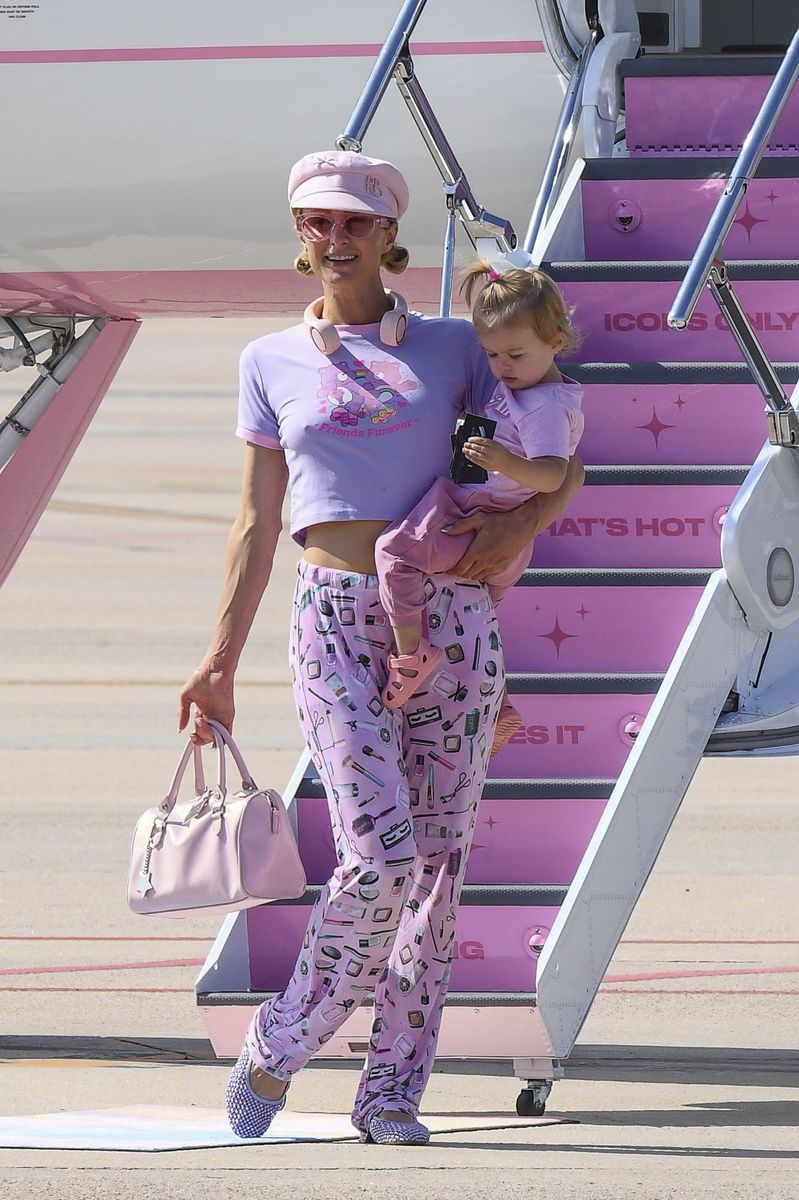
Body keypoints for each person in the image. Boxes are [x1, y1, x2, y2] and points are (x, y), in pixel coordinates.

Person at [178, 150, 584, 1146]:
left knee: (436, 869)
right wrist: (218, 658)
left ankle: (392, 1093)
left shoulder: (453, 346)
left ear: (387, 233)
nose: (336, 237)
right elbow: (253, 523)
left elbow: (560, 464)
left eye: (355, 222)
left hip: (449, 620)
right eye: (318, 221)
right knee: (380, 857)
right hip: (330, 619)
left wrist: (520, 534)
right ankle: (282, 1041)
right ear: (298, 233)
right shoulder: (268, 361)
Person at [374, 262, 583, 731]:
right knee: (477, 617)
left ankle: (410, 653)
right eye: (490, 355)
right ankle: (501, 701)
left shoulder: (545, 406)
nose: (502, 368)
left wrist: (502, 462)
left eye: (514, 355)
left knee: (393, 556)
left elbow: (555, 474)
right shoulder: (532, 392)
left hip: (480, 511)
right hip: (501, 526)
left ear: (556, 342)